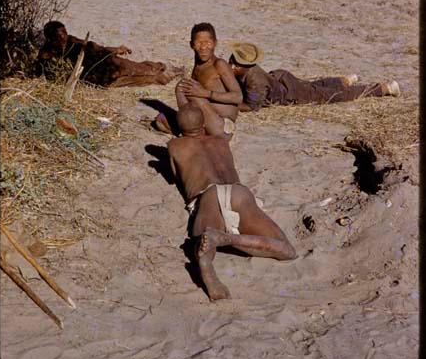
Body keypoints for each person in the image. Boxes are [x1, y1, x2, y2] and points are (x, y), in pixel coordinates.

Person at [167, 104, 297, 301]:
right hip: (238, 192)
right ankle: (227, 239)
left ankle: (208, 261)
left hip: (208, 195)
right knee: (287, 250)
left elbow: (175, 176)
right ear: (203, 123)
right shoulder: (221, 141)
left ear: (178, 128)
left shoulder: (174, 146)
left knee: (201, 242)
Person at [228, 42, 401, 112]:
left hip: (291, 93)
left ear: (243, 66)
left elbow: (251, 107)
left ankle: (384, 88)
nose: (231, 66)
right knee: (314, 87)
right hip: (281, 79)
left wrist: (230, 104)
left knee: (334, 96)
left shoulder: (254, 81)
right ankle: (343, 81)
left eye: (234, 64)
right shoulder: (249, 71)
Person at [155, 22, 242, 139]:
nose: (203, 47)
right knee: (161, 120)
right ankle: (192, 129)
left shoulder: (219, 64)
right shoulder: (198, 65)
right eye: (199, 43)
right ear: (192, 45)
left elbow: (238, 97)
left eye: (208, 43)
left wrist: (206, 93)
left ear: (215, 43)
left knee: (183, 87)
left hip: (222, 126)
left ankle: (190, 132)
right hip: (206, 120)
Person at [36, 21, 184, 87]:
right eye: (59, 35)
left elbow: (94, 47)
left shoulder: (71, 41)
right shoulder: (47, 55)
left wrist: (116, 49)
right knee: (139, 80)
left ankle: (166, 68)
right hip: (97, 77)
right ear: (50, 38)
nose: (64, 37)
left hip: (105, 63)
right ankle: (164, 77)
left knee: (137, 68)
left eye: (65, 32)